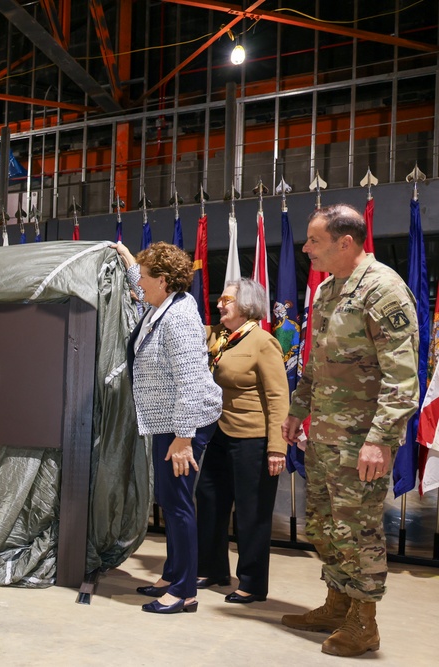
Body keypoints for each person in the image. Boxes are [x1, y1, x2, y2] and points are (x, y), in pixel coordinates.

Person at [281, 204, 419, 657]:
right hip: (323, 435)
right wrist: (297, 411)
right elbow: (314, 366)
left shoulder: (383, 290)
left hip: (362, 440)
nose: (306, 248)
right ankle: (338, 604)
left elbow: (402, 379)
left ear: (346, 242)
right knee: (323, 526)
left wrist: (381, 440)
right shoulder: (326, 293)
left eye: (314, 241)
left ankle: (365, 623)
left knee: (357, 530)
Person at [115, 241, 223, 614]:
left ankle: (184, 591)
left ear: (162, 280)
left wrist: (183, 439)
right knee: (169, 497)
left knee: (177, 505)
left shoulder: (179, 319)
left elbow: (192, 380)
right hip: (171, 421)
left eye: (145, 277)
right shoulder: (162, 305)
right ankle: (172, 573)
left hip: (184, 423)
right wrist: (130, 260)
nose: (139, 284)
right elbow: (140, 290)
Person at [196, 278, 289, 604]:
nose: (219, 304)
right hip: (219, 432)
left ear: (247, 306)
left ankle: (251, 582)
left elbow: (279, 397)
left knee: (252, 512)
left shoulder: (263, 342)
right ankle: (212, 569)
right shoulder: (220, 337)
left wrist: (278, 446)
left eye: (227, 300)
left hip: (254, 439)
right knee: (209, 500)